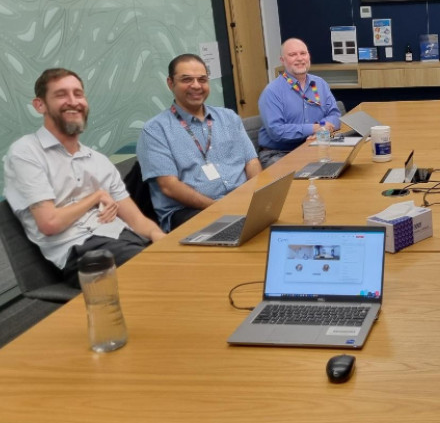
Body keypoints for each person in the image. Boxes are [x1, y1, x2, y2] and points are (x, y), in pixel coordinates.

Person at [3, 68, 165, 285]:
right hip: (83, 253)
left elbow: (136, 219)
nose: (73, 101)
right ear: (40, 105)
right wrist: (96, 196)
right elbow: (49, 223)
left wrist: (159, 236)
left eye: (78, 94)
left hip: (124, 239)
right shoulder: (25, 152)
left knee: (180, 261)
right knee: (160, 274)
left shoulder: (97, 160)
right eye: (61, 94)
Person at [137, 54, 261, 232]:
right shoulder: (155, 130)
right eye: (186, 79)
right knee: (240, 233)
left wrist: (254, 196)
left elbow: (252, 161)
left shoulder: (228, 117)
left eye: (202, 79)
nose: (196, 85)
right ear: (170, 83)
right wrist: (221, 208)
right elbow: (169, 186)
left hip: (241, 200)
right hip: (190, 212)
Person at [257, 38, 341, 168]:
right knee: (309, 174)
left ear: (308, 56)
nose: (299, 58)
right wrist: (313, 128)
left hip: (314, 145)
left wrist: (322, 128)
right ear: (282, 61)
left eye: (303, 53)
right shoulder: (272, 92)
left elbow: (334, 115)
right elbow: (276, 131)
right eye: (292, 55)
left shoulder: (320, 84)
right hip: (280, 153)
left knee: (341, 166)